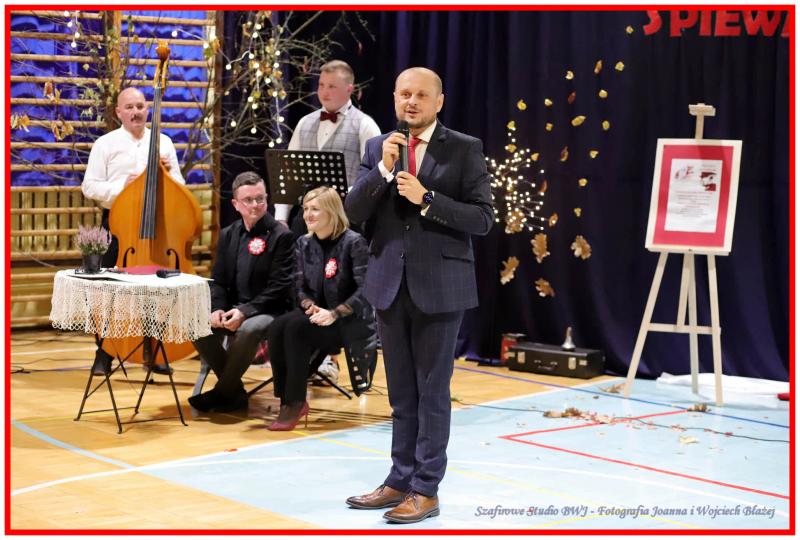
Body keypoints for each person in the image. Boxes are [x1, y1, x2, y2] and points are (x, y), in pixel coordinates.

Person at [344, 67, 494, 524]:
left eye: (421, 95)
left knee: (432, 393)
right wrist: (383, 171)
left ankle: (426, 489)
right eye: (404, 94)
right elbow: (353, 211)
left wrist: (428, 199)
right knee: (401, 394)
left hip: (441, 287)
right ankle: (398, 480)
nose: (411, 102)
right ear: (394, 98)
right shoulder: (378, 147)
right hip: (389, 285)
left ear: (439, 101)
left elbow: (482, 219)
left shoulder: (464, 148)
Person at [277, 59, 380, 384]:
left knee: (337, 286)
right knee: (302, 283)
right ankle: (302, 350)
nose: (324, 92)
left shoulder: (365, 126)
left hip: (344, 226)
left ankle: (331, 357)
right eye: (321, 85)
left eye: (332, 86)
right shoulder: (306, 123)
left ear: (349, 89)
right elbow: (288, 174)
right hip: (307, 221)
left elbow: (375, 178)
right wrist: (281, 218)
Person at [81, 87, 185, 376]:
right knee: (109, 292)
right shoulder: (105, 144)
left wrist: (169, 176)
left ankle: (153, 351)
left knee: (156, 291)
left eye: (140, 106)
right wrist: (122, 189)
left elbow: (180, 185)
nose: (136, 112)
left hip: (156, 227)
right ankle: (104, 354)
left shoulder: (163, 142)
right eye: (129, 107)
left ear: (147, 109)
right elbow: (89, 186)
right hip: (118, 225)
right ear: (118, 112)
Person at [266, 186, 376, 430]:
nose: (307, 214)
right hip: (316, 315)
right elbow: (298, 285)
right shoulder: (304, 243)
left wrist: (334, 313)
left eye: (315, 209)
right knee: (277, 327)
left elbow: (366, 291)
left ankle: (295, 402)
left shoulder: (353, 242)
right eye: (305, 209)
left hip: (348, 321)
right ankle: (286, 398)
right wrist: (309, 305)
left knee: (295, 329)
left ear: (332, 211)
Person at [188, 172, 295, 413]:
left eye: (260, 198)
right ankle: (234, 392)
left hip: (271, 309)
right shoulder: (228, 234)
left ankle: (222, 393)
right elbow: (218, 281)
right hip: (234, 307)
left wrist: (244, 312)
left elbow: (279, 287)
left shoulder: (282, 236)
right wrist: (217, 309)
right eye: (248, 200)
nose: (255, 205)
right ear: (236, 204)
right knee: (195, 324)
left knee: (249, 329)